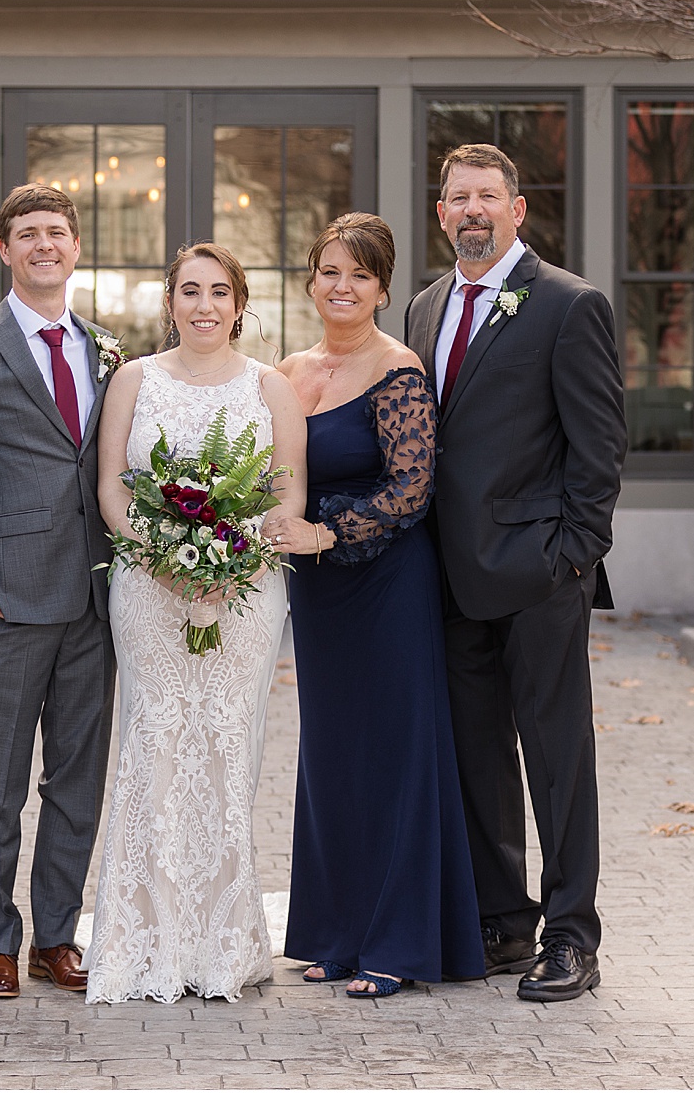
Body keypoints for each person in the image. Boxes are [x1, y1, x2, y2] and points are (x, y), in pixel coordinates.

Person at [405, 144, 625, 1002]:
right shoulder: (424, 308)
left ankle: (572, 934)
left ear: (517, 209)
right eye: (457, 197)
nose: (471, 210)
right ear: (441, 212)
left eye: (486, 197)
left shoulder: (570, 305)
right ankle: (505, 922)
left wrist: (572, 553)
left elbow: (599, 450)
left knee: (557, 759)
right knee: (477, 759)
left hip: (539, 576)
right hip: (450, 581)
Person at [83, 242, 307, 1004]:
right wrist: (164, 557)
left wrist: (231, 566)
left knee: (225, 741)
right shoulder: (132, 380)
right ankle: (143, 940)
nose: (205, 305)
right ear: (169, 302)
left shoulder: (270, 386)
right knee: (155, 738)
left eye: (219, 291)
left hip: (244, 593)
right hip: (148, 586)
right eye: (190, 290)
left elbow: (285, 494)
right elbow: (112, 486)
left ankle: (220, 941)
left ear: (239, 303)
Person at [268, 213, 482, 999]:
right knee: (332, 757)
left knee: (395, 753)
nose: (343, 286)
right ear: (311, 280)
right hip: (317, 592)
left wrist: (325, 533)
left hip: (385, 579)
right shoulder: (288, 370)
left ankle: (397, 941)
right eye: (330, 271)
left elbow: (411, 489)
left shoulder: (400, 369)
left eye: (360, 274)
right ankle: (336, 931)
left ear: (383, 288)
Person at [0, 184, 117, 1000]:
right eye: (28, 234)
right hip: (4, 603)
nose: (45, 245)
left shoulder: (106, 348)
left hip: (95, 602)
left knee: (77, 780)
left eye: (58, 233)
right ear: (5, 250)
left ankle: (57, 937)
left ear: (76, 249)